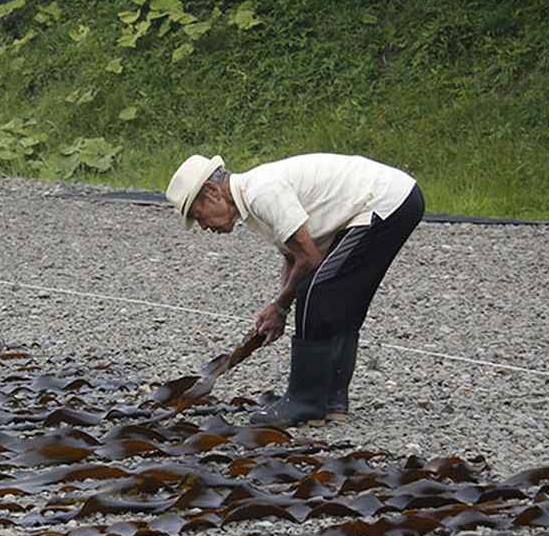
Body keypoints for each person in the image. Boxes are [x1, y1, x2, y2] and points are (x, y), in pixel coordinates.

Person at [165, 152, 424, 426]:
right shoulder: (252, 202)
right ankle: (332, 401)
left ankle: (305, 401)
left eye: (198, 215)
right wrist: (281, 306)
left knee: (318, 293)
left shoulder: (261, 193)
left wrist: (280, 306)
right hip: (392, 201)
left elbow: (310, 259)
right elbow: (293, 256)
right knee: (338, 298)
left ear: (211, 191)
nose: (204, 226)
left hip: (386, 201)